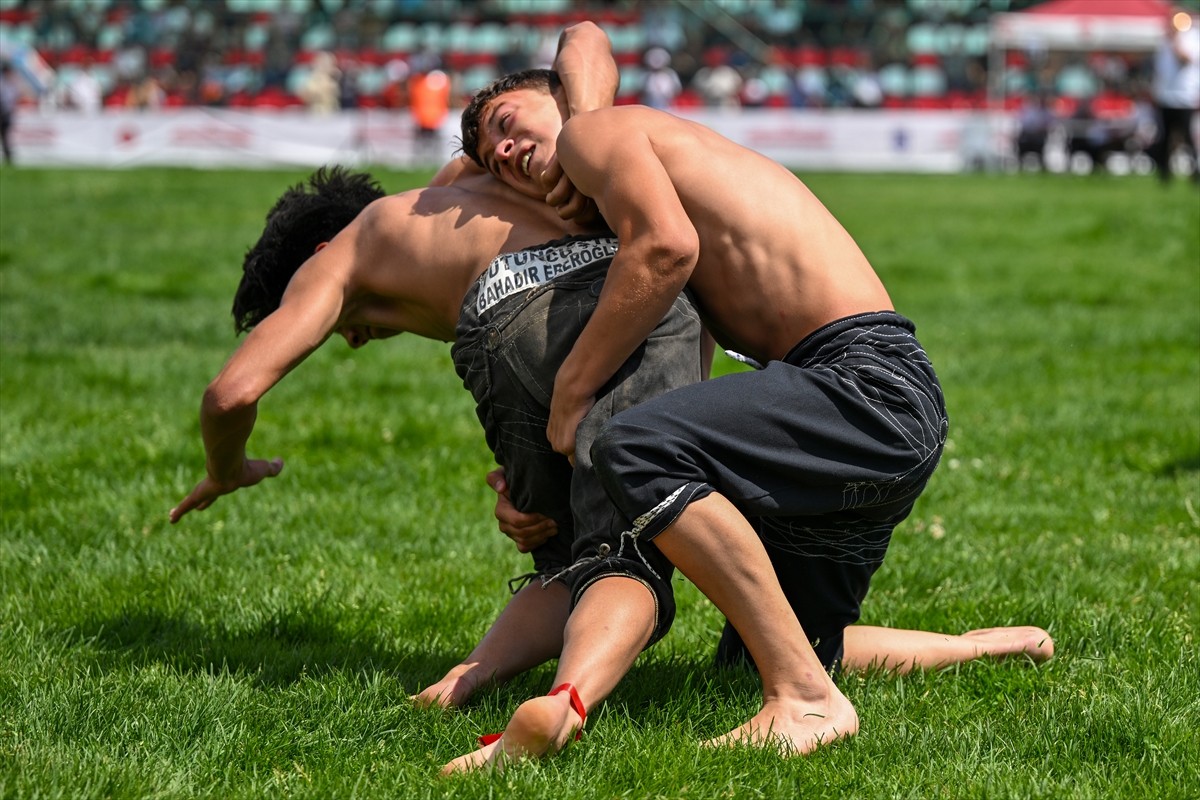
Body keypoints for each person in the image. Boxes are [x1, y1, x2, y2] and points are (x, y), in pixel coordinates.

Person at [445, 56, 1053, 772]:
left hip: (862, 384)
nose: (506, 151)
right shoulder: (645, 170)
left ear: (561, 101)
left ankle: (807, 700)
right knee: (774, 638)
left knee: (633, 446)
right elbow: (682, 368)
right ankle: (986, 647)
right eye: (493, 155)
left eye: (508, 124)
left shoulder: (596, 133)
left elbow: (666, 248)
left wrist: (575, 392)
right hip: (883, 407)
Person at [1150, 11, 1200, 183]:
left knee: (1187, 137)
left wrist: (1177, 40)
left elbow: (1185, 59)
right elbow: (1160, 70)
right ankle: (1165, 174)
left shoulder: (1192, 38)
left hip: (1184, 97)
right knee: (1165, 137)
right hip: (1165, 96)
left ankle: (1195, 173)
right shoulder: (1164, 41)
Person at [0, 60, 19, 165]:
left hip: (6, 114)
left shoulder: (10, 83)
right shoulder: (4, 83)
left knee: (6, 138)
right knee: (5, 138)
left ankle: (8, 159)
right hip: (3, 112)